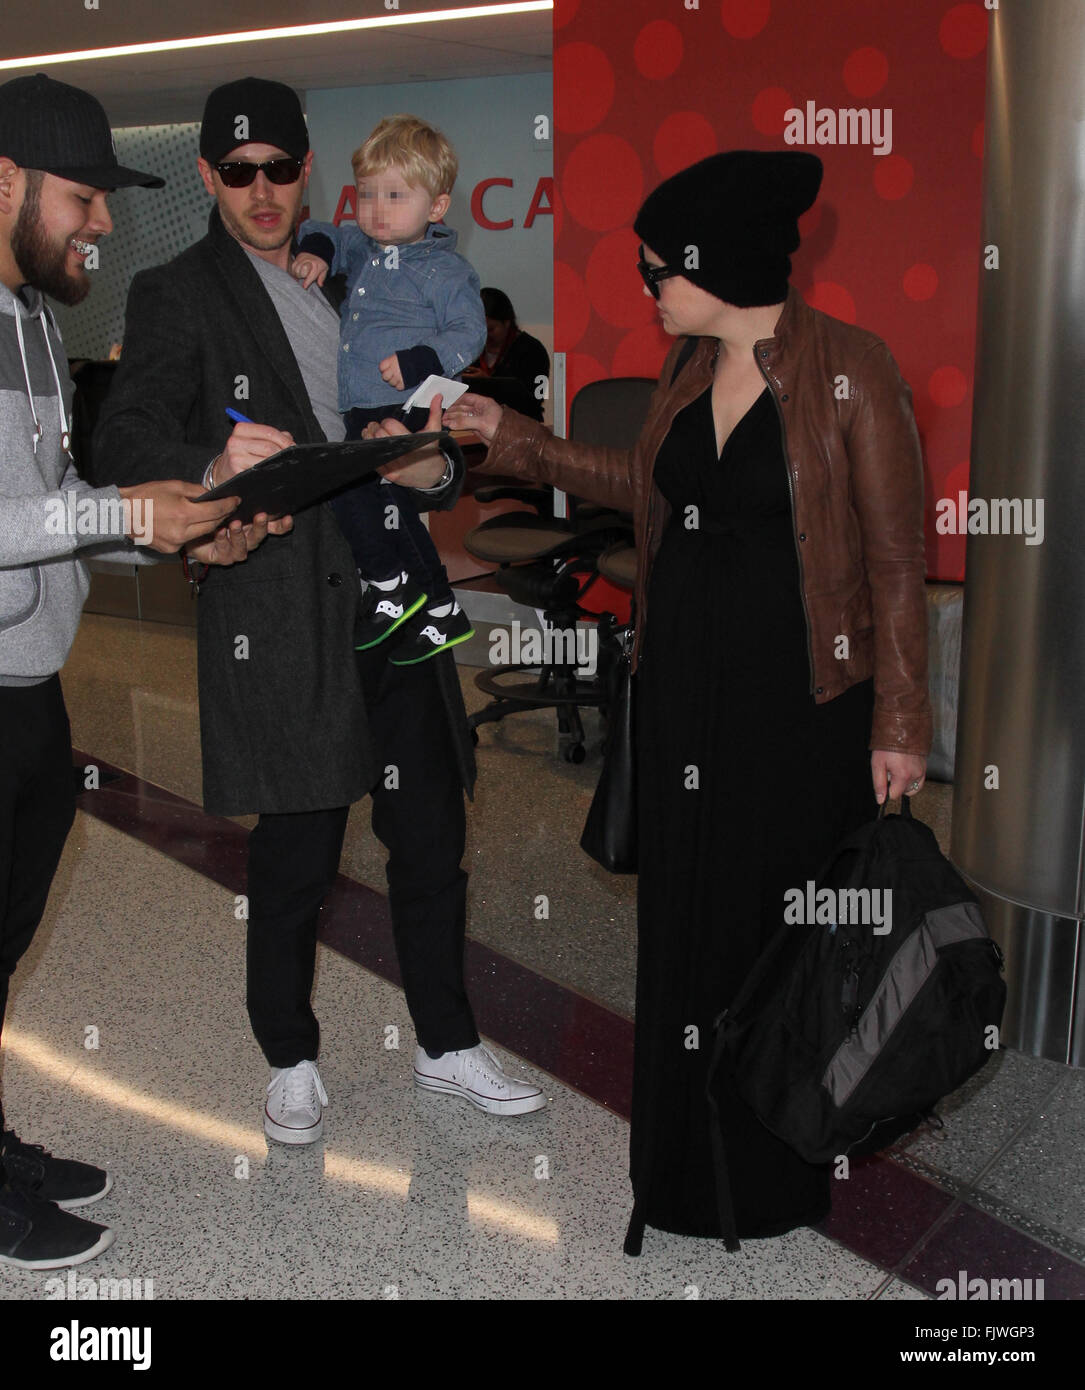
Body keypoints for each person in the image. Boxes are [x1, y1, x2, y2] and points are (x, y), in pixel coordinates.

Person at [441, 150, 931, 1250]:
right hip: (678, 703)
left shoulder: (851, 369)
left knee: (778, 946)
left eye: (658, 267)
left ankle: (766, 1180)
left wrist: (900, 723)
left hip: (800, 715)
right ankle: (676, 1171)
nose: (647, 285)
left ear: (718, 262)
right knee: (681, 936)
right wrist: (511, 441)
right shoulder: (685, 371)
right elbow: (642, 485)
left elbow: (898, 562)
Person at [94, 78, 545, 1151]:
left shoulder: (365, 270)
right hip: (280, 608)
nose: (260, 190)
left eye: (280, 170)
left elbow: (420, 443)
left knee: (429, 830)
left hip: (394, 601)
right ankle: (288, 1055)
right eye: (237, 172)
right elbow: (121, 447)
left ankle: (444, 1040)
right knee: (296, 847)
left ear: (309, 173)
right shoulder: (175, 291)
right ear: (207, 175)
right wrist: (210, 464)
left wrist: (435, 467)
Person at [0, 72, 275, 1270]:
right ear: (3, 182)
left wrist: (178, 516)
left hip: (28, 682)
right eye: (82, 197)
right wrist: (127, 510)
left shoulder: (34, 323)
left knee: (6, 937)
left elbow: (50, 507)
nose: (104, 224)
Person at [291, 115, 484, 663]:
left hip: (400, 404)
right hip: (361, 401)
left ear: (437, 207)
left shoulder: (444, 271)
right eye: (366, 194)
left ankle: (386, 582)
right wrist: (320, 254)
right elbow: (322, 231)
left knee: (352, 491)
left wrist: (423, 358)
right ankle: (442, 610)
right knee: (391, 507)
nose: (375, 209)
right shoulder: (363, 245)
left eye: (395, 196)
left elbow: (470, 333)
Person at [463, 287, 550, 422]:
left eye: (490, 329)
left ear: (507, 322)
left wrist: (488, 383)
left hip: (521, 427)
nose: (485, 336)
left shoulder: (533, 350)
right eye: (479, 330)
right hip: (476, 425)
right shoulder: (470, 348)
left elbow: (535, 400)